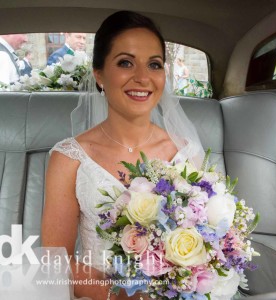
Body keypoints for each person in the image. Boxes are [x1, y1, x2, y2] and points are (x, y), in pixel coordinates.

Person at [42, 11, 204, 300]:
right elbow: (55, 262)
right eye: (126, 62)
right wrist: (121, 295)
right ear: (99, 74)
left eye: (154, 64)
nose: (142, 77)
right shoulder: (69, 158)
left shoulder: (187, 154)